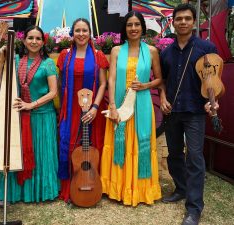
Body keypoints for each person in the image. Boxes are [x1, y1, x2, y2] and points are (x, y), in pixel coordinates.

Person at [159, 4, 218, 225]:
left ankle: (194, 209)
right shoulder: (166, 52)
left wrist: (213, 102)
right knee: (174, 154)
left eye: (187, 19)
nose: (182, 22)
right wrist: (163, 98)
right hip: (172, 110)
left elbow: (214, 80)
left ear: (193, 22)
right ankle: (181, 188)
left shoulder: (207, 48)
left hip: (195, 111)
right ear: (173, 22)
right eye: (179, 19)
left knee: (194, 157)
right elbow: (163, 81)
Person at [100, 10, 162, 206]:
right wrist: (112, 106)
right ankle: (118, 188)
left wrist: (146, 85)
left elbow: (160, 79)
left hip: (142, 105)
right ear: (124, 28)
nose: (133, 28)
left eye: (137, 24)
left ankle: (141, 190)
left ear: (143, 27)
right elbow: (111, 79)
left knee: (139, 143)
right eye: (129, 25)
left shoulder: (151, 51)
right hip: (119, 104)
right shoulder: (117, 51)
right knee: (121, 144)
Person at [0, 25, 60, 203]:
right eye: (30, 38)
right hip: (20, 117)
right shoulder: (15, 60)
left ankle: (41, 192)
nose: (34, 41)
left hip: (42, 116)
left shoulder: (48, 63)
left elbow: (53, 92)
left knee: (41, 156)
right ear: (24, 41)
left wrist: (30, 104)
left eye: (38, 38)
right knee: (19, 153)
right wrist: (3, 58)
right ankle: (17, 193)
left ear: (43, 42)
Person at [57, 18, 109, 202]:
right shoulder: (65, 56)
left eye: (84, 30)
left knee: (91, 146)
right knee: (67, 142)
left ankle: (92, 183)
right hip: (70, 109)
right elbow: (61, 82)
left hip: (92, 108)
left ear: (90, 33)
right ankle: (69, 188)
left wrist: (95, 107)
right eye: (77, 30)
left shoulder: (98, 56)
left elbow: (103, 84)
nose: (81, 34)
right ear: (72, 33)